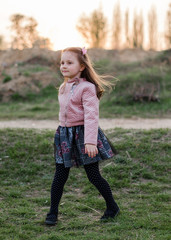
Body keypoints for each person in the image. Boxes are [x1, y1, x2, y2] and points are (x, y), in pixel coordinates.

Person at [45, 47, 120, 225]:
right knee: (60, 175)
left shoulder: (87, 88)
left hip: (84, 135)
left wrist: (90, 142)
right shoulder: (63, 86)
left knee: (93, 175)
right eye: (62, 62)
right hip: (64, 135)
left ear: (81, 66)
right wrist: (62, 132)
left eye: (69, 63)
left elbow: (91, 116)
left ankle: (112, 207)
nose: (64, 66)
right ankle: (52, 213)